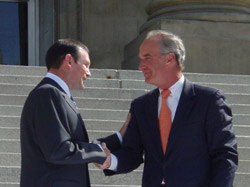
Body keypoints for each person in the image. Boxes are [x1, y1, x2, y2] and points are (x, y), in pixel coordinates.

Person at [98, 30, 238, 187]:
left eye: (147, 58)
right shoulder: (141, 106)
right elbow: (132, 154)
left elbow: (224, 155)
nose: (140, 66)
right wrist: (110, 161)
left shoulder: (209, 100)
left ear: (170, 59)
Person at [20, 39, 126, 187]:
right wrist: (97, 152)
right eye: (86, 65)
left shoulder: (55, 94)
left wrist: (118, 138)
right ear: (69, 61)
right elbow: (58, 150)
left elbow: (70, 145)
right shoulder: (48, 93)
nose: (88, 73)